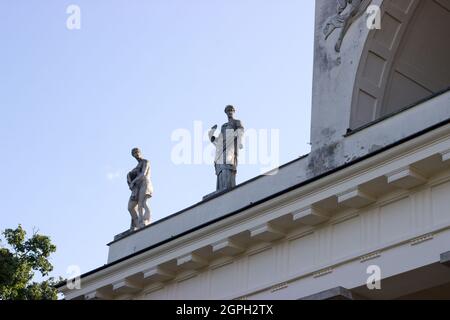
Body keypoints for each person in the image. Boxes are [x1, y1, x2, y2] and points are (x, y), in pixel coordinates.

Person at [209, 105, 244, 192]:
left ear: (234, 111)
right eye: (228, 111)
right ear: (226, 113)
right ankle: (221, 188)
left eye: (231, 110)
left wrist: (239, 142)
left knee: (227, 164)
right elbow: (220, 138)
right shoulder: (224, 126)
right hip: (222, 147)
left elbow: (240, 131)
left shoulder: (237, 122)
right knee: (220, 166)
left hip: (230, 146)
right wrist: (212, 136)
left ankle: (228, 186)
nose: (229, 112)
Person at [127, 148, 153, 230]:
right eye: (134, 153)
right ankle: (137, 223)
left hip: (145, 183)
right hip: (137, 187)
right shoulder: (136, 167)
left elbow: (143, 174)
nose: (136, 154)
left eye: (137, 152)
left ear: (140, 153)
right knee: (130, 207)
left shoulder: (145, 161)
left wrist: (133, 181)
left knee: (142, 203)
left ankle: (145, 221)